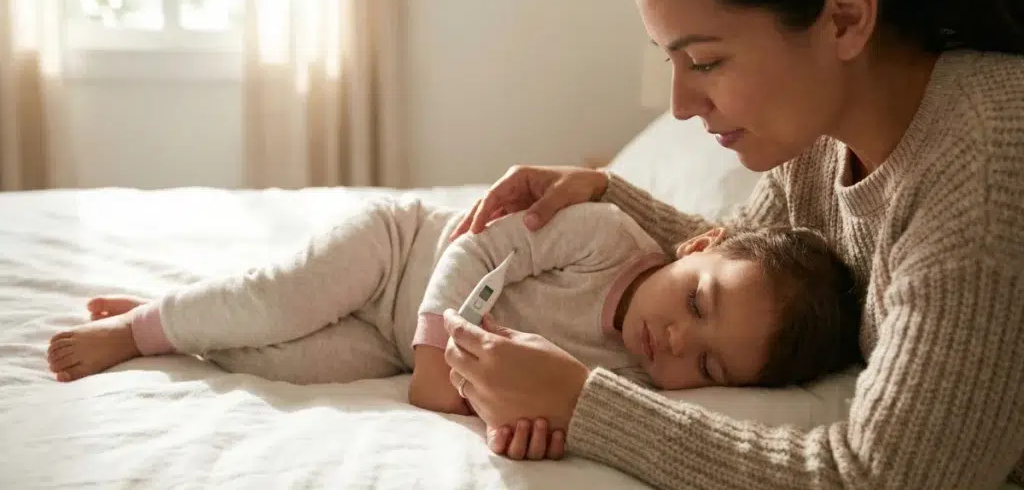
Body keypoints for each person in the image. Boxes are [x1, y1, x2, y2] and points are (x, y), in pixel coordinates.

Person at [442, 0, 1024, 487]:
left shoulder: (984, 176)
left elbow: (878, 476)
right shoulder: (823, 135)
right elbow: (736, 247)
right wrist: (605, 190)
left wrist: (583, 406)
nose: (679, 103)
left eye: (705, 63)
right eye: (669, 60)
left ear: (845, 18)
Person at [47, 196, 859, 419]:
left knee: (285, 363)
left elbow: (539, 397)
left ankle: (172, 328)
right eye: (698, 302)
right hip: (397, 255)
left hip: (393, 349)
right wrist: (437, 357)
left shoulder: (636, 382)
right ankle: (136, 326)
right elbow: (477, 252)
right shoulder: (605, 236)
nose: (676, 340)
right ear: (694, 248)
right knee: (277, 300)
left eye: (709, 365)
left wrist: (525, 426)